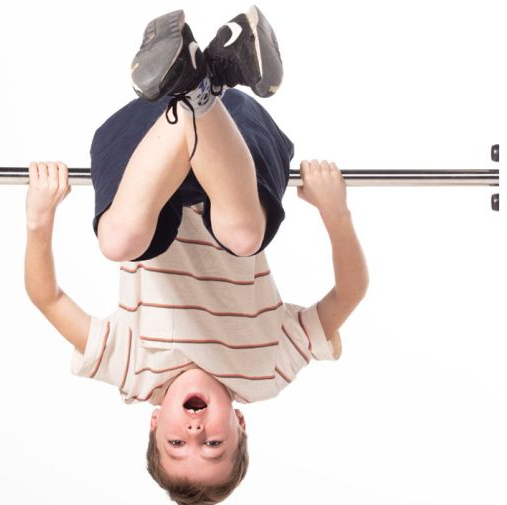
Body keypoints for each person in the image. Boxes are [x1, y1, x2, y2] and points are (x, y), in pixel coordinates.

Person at [24, 6, 368, 505]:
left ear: (154, 421)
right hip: (234, 153)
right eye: (213, 443)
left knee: (118, 242)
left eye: (177, 442)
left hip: (149, 136)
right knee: (244, 233)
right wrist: (336, 214)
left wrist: (39, 220)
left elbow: (48, 298)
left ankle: (193, 78)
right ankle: (206, 86)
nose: (195, 428)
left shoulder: (130, 371)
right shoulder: (267, 371)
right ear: (241, 421)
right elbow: (350, 294)